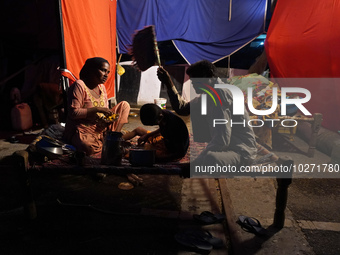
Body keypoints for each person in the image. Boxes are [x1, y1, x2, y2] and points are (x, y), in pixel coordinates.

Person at [157, 60, 257, 169]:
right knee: (208, 157)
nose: (193, 84)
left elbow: (222, 140)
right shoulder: (208, 95)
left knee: (210, 158)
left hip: (241, 153)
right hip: (229, 149)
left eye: (195, 80)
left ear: (208, 75)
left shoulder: (220, 94)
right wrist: (168, 82)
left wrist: (194, 164)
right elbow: (182, 108)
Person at [63, 57, 130, 156]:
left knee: (124, 105)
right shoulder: (79, 85)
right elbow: (74, 113)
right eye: (103, 70)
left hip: (101, 127)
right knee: (87, 146)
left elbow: (105, 111)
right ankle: (106, 144)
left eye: (108, 72)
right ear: (91, 70)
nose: (106, 75)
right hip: (84, 130)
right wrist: (97, 109)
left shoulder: (101, 87)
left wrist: (108, 120)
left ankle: (114, 138)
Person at [123, 103, 189, 162]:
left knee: (144, 155)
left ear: (160, 117)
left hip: (172, 151)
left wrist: (156, 158)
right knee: (139, 130)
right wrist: (148, 135)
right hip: (165, 141)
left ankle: (125, 152)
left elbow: (180, 153)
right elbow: (163, 128)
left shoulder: (175, 126)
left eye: (153, 124)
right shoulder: (164, 115)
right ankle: (117, 140)